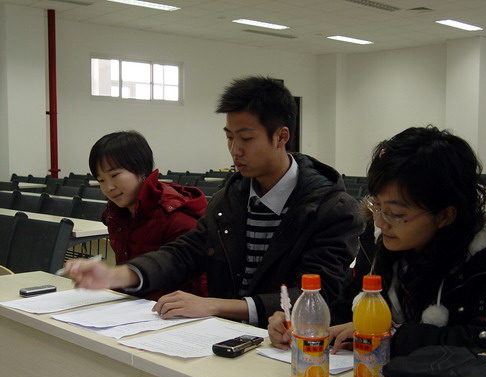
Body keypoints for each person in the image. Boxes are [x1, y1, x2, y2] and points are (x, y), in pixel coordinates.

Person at [66, 76, 364, 327]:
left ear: (281, 136)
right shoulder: (230, 198)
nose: (235, 150)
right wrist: (115, 275)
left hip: (292, 343)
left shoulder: (331, 209)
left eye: (246, 139)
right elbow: (185, 253)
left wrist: (215, 305)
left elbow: (315, 294)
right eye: (229, 137)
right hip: (225, 335)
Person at [269, 125, 486, 356]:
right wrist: (306, 324)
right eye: (377, 206)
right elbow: (348, 309)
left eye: (396, 214)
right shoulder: (381, 238)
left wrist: (388, 335)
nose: (380, 223)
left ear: (445, 215)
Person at [89, 130, 208, 300]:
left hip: (170, 309)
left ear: (141, 170)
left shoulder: (176, 217)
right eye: (101, 180)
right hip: (133, 304)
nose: (109, 187)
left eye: (115, 175)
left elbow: (193, 286)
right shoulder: (116, 215)